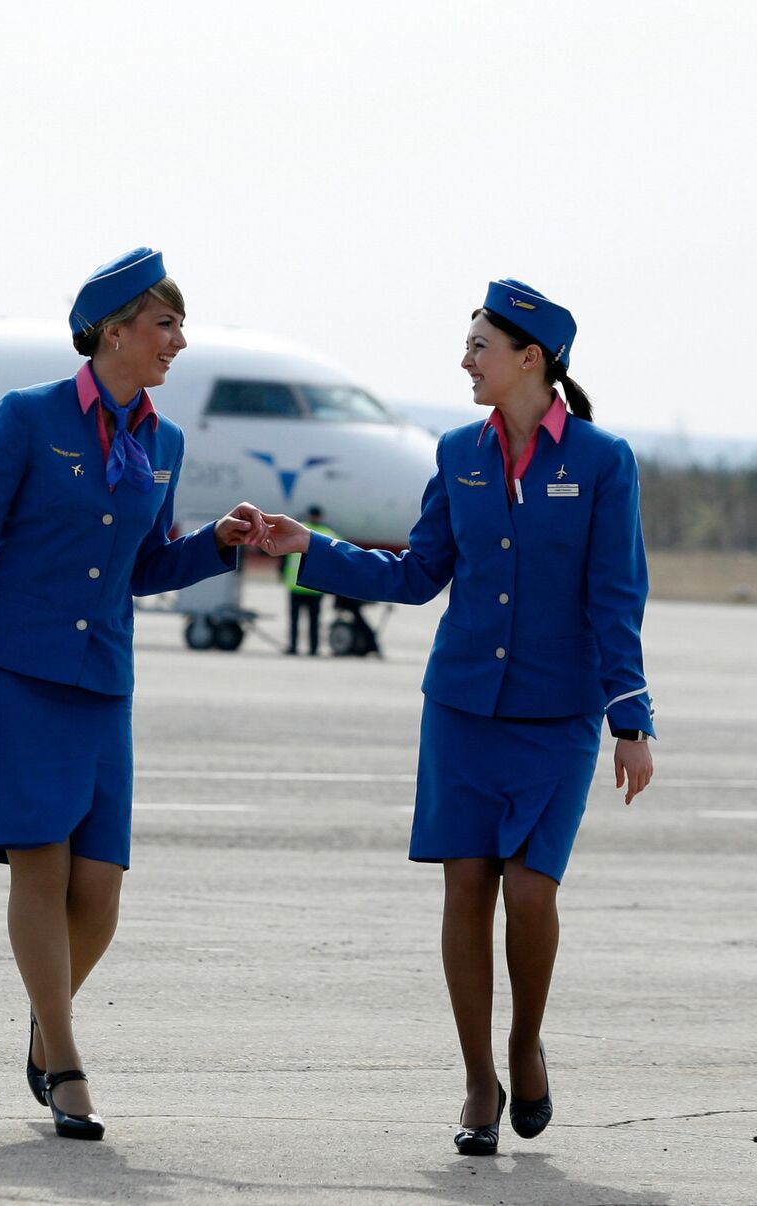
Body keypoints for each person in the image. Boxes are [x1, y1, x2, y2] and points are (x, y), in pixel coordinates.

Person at [261, 278, 655, 1155]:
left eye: (480, 345)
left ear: (531, 358)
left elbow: (616, 594)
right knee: (466, 889)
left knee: (531, 890)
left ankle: (525, 1043)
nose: (466, 360)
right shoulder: (457, 452)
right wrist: (310, 549)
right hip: (462, 708)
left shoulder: (603, 460)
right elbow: (416, 574)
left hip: (558, 715)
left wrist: (631, 718)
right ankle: (480, 1079)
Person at [0, 248, 267, 1141]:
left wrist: (216, 545)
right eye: (165, 325)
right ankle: (65, 1064)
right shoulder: (29, 417)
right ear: (113, 333)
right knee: (43, 863)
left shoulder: (163, 442)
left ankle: (43, 1020)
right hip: (11, 670)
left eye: (180, 326)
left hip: (101, 678)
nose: (178, 342)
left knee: (99, 888)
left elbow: (145, 565)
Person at [282, 505, 337, 654]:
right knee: (314, 620)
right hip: (315, 587)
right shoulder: (329, 534)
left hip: (295, 585)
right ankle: (313, 648)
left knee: (295, 619)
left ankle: (293, 646)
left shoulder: (297, 529)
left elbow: (284, 556)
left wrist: (281, 573)